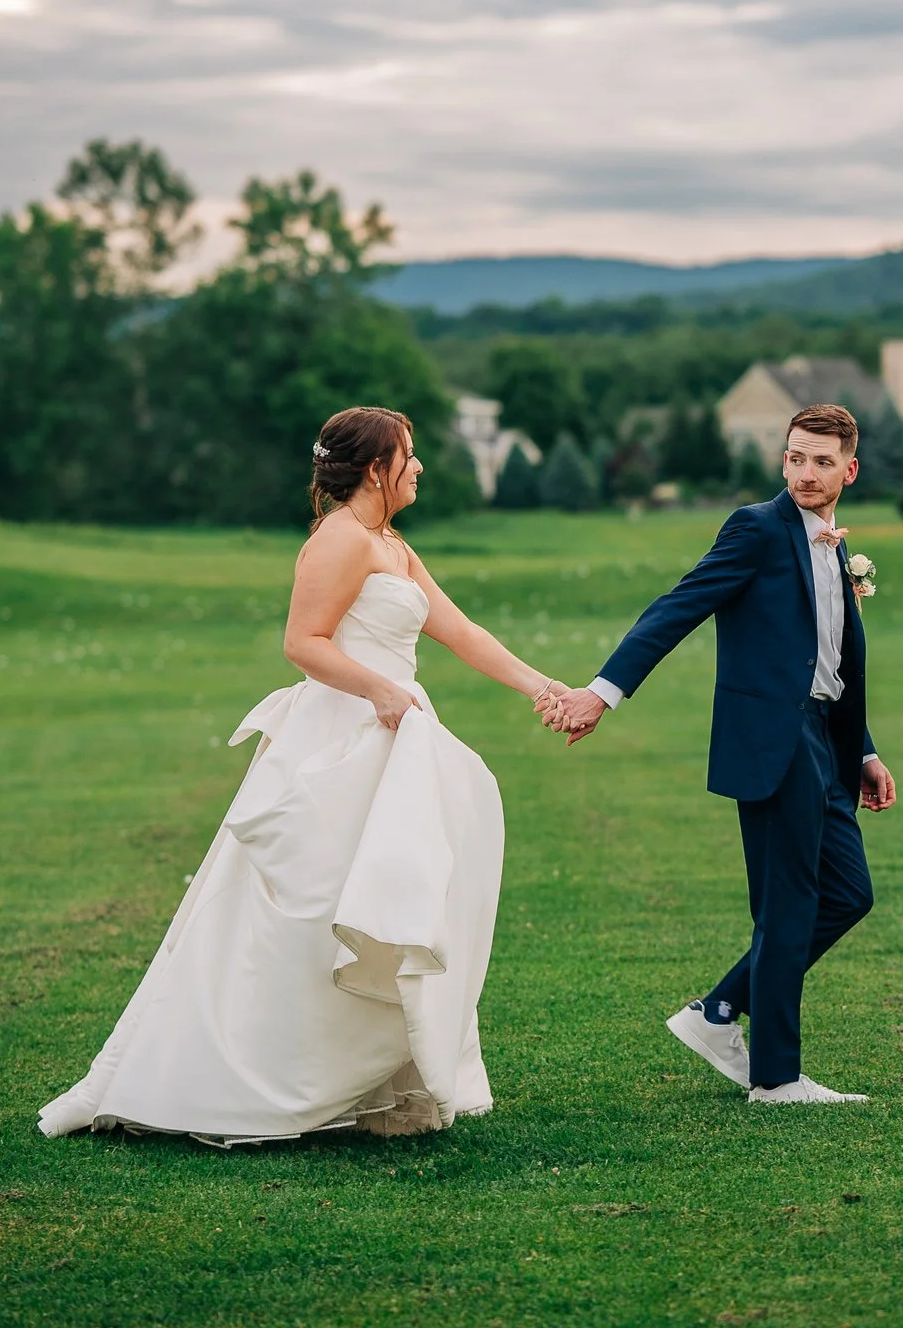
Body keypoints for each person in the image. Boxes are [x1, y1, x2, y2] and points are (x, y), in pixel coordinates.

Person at [39, 406, 565, 1144]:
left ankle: (376, 1080)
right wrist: (378, 690)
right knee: (315, 908)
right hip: (341, 736)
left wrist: (545, 688)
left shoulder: (391, 543)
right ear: (376, 468)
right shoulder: (339, 539)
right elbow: (303, 642)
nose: (418, 466)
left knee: (390, 897)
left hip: (392, 740)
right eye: (408, 455)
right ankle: (250, 1081)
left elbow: (461, 631)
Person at [542, 404, 897, 1104]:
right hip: (773, 741)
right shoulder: (756, 528)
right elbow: (678, 606)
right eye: (795, 457)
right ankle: (776, 1078)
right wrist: (602, 693)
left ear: (850, 470)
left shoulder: (833, 546)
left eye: (822, 461)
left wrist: (863, 750)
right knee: (788, 903)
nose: (805, 472)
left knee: (849, 893)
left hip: (827, 743)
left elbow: (830, 660)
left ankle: (718, 1011)